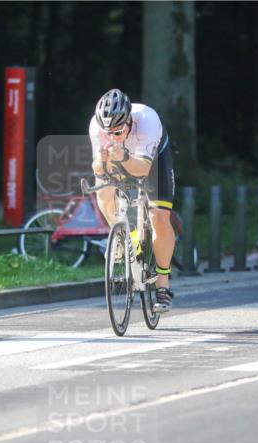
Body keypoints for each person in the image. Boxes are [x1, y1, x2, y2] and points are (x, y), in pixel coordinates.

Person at [88, 88, 176, 312]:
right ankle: (122, 237)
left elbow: (142, 170)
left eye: (117, 132)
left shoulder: (147, 121)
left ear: (129, 121)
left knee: (159, 219)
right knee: (103, 188)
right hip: (122, 157)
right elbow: (98, 169)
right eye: (108, 133)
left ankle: (163, 287)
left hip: (152, 160)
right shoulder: (97, 128)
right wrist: (102, 160)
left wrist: (123, 155)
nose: (112, 137)